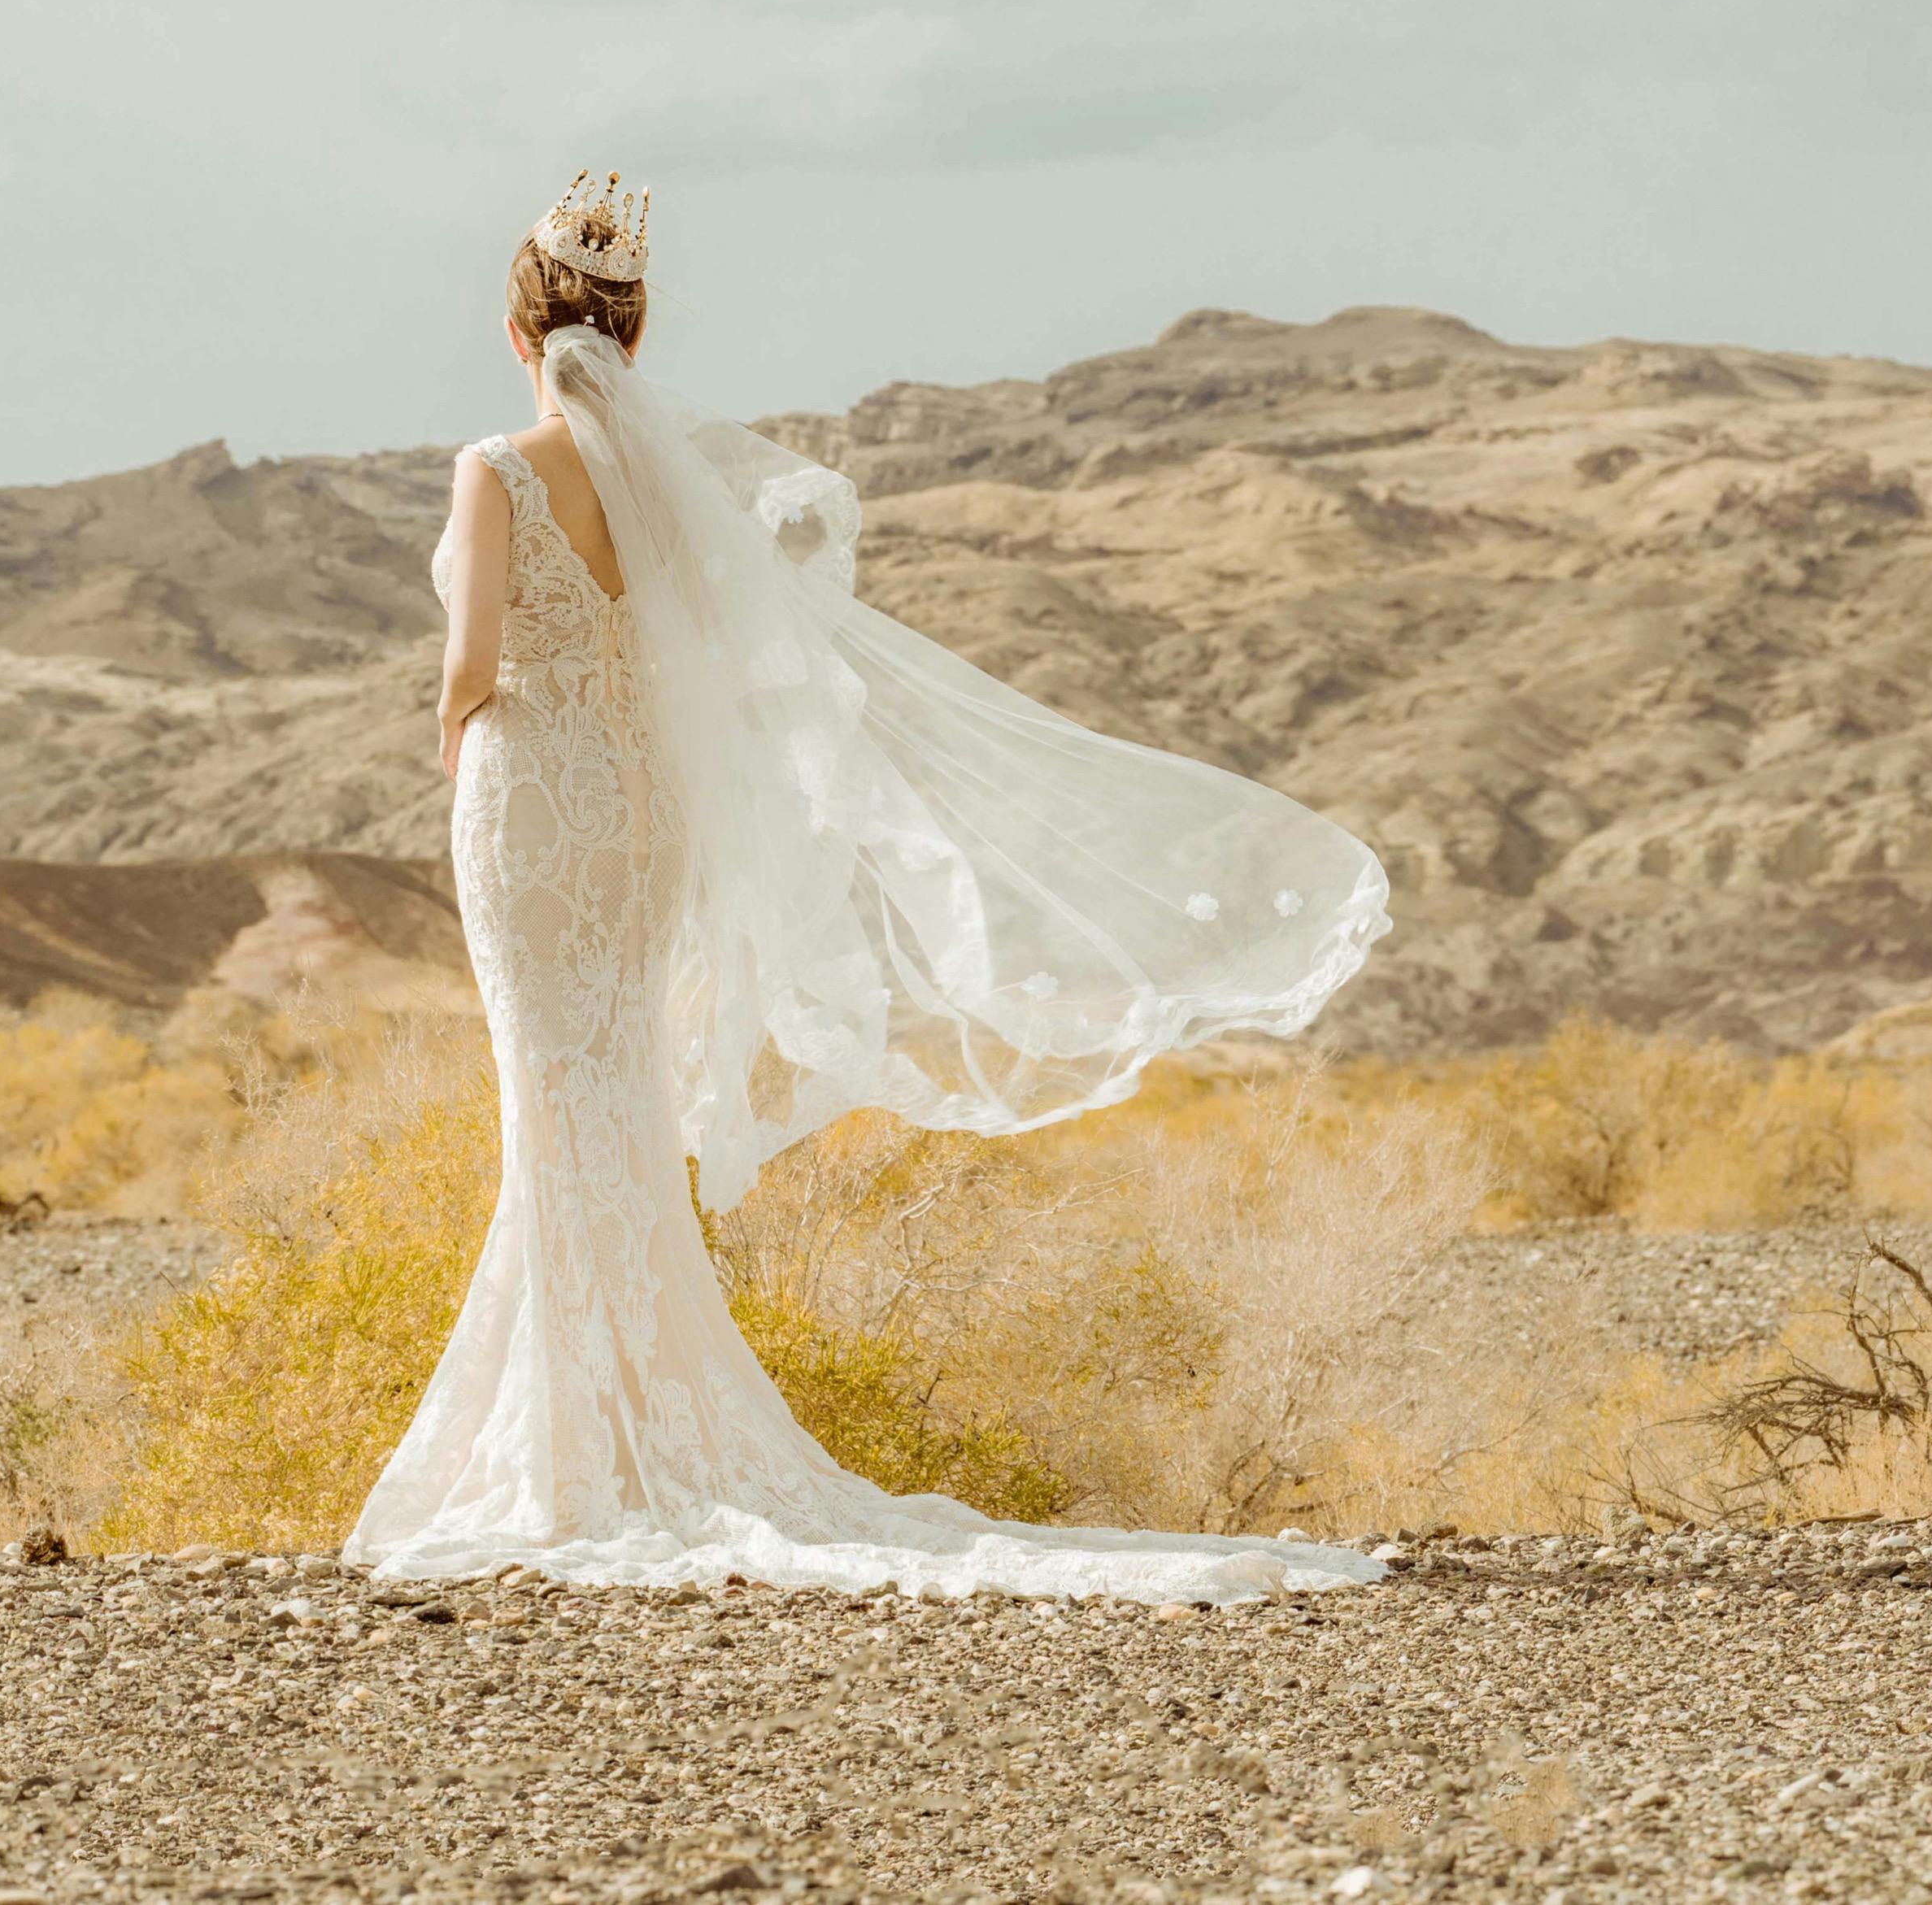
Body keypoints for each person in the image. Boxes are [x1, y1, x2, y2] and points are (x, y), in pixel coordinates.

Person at [348, 171, 1394, 1601]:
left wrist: (447, 740)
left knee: (553, 1091)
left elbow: (472, 660)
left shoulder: (498, 467)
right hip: (639, 809)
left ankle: (580, 1447)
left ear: (520, 330)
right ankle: (614, 1426)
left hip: (529, 797)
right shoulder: (676, 486)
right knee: (613, 1092)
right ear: (631, 335)